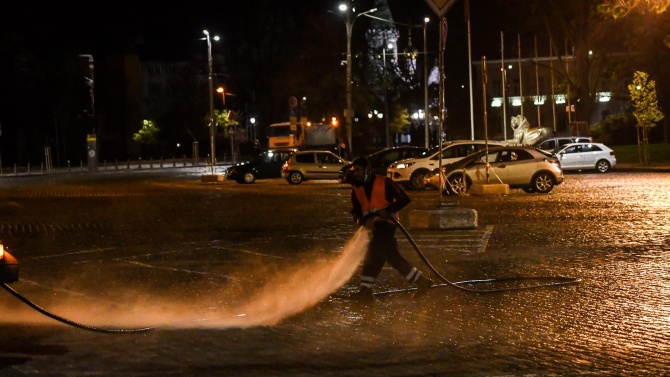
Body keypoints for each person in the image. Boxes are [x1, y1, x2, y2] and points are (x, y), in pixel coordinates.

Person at [349, 156, 434, 303]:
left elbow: (404, 199)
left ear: (367, 170)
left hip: (387, 224)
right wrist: (360, 220)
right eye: (354, 170)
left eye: (358, 170)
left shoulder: (384, 182)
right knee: (386, 255)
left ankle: (365, 291)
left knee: (374, 252)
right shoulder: (356, 189)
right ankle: (421, 281)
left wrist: (388, 210)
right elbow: (356, 211)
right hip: (375, 227)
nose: (355, 173)